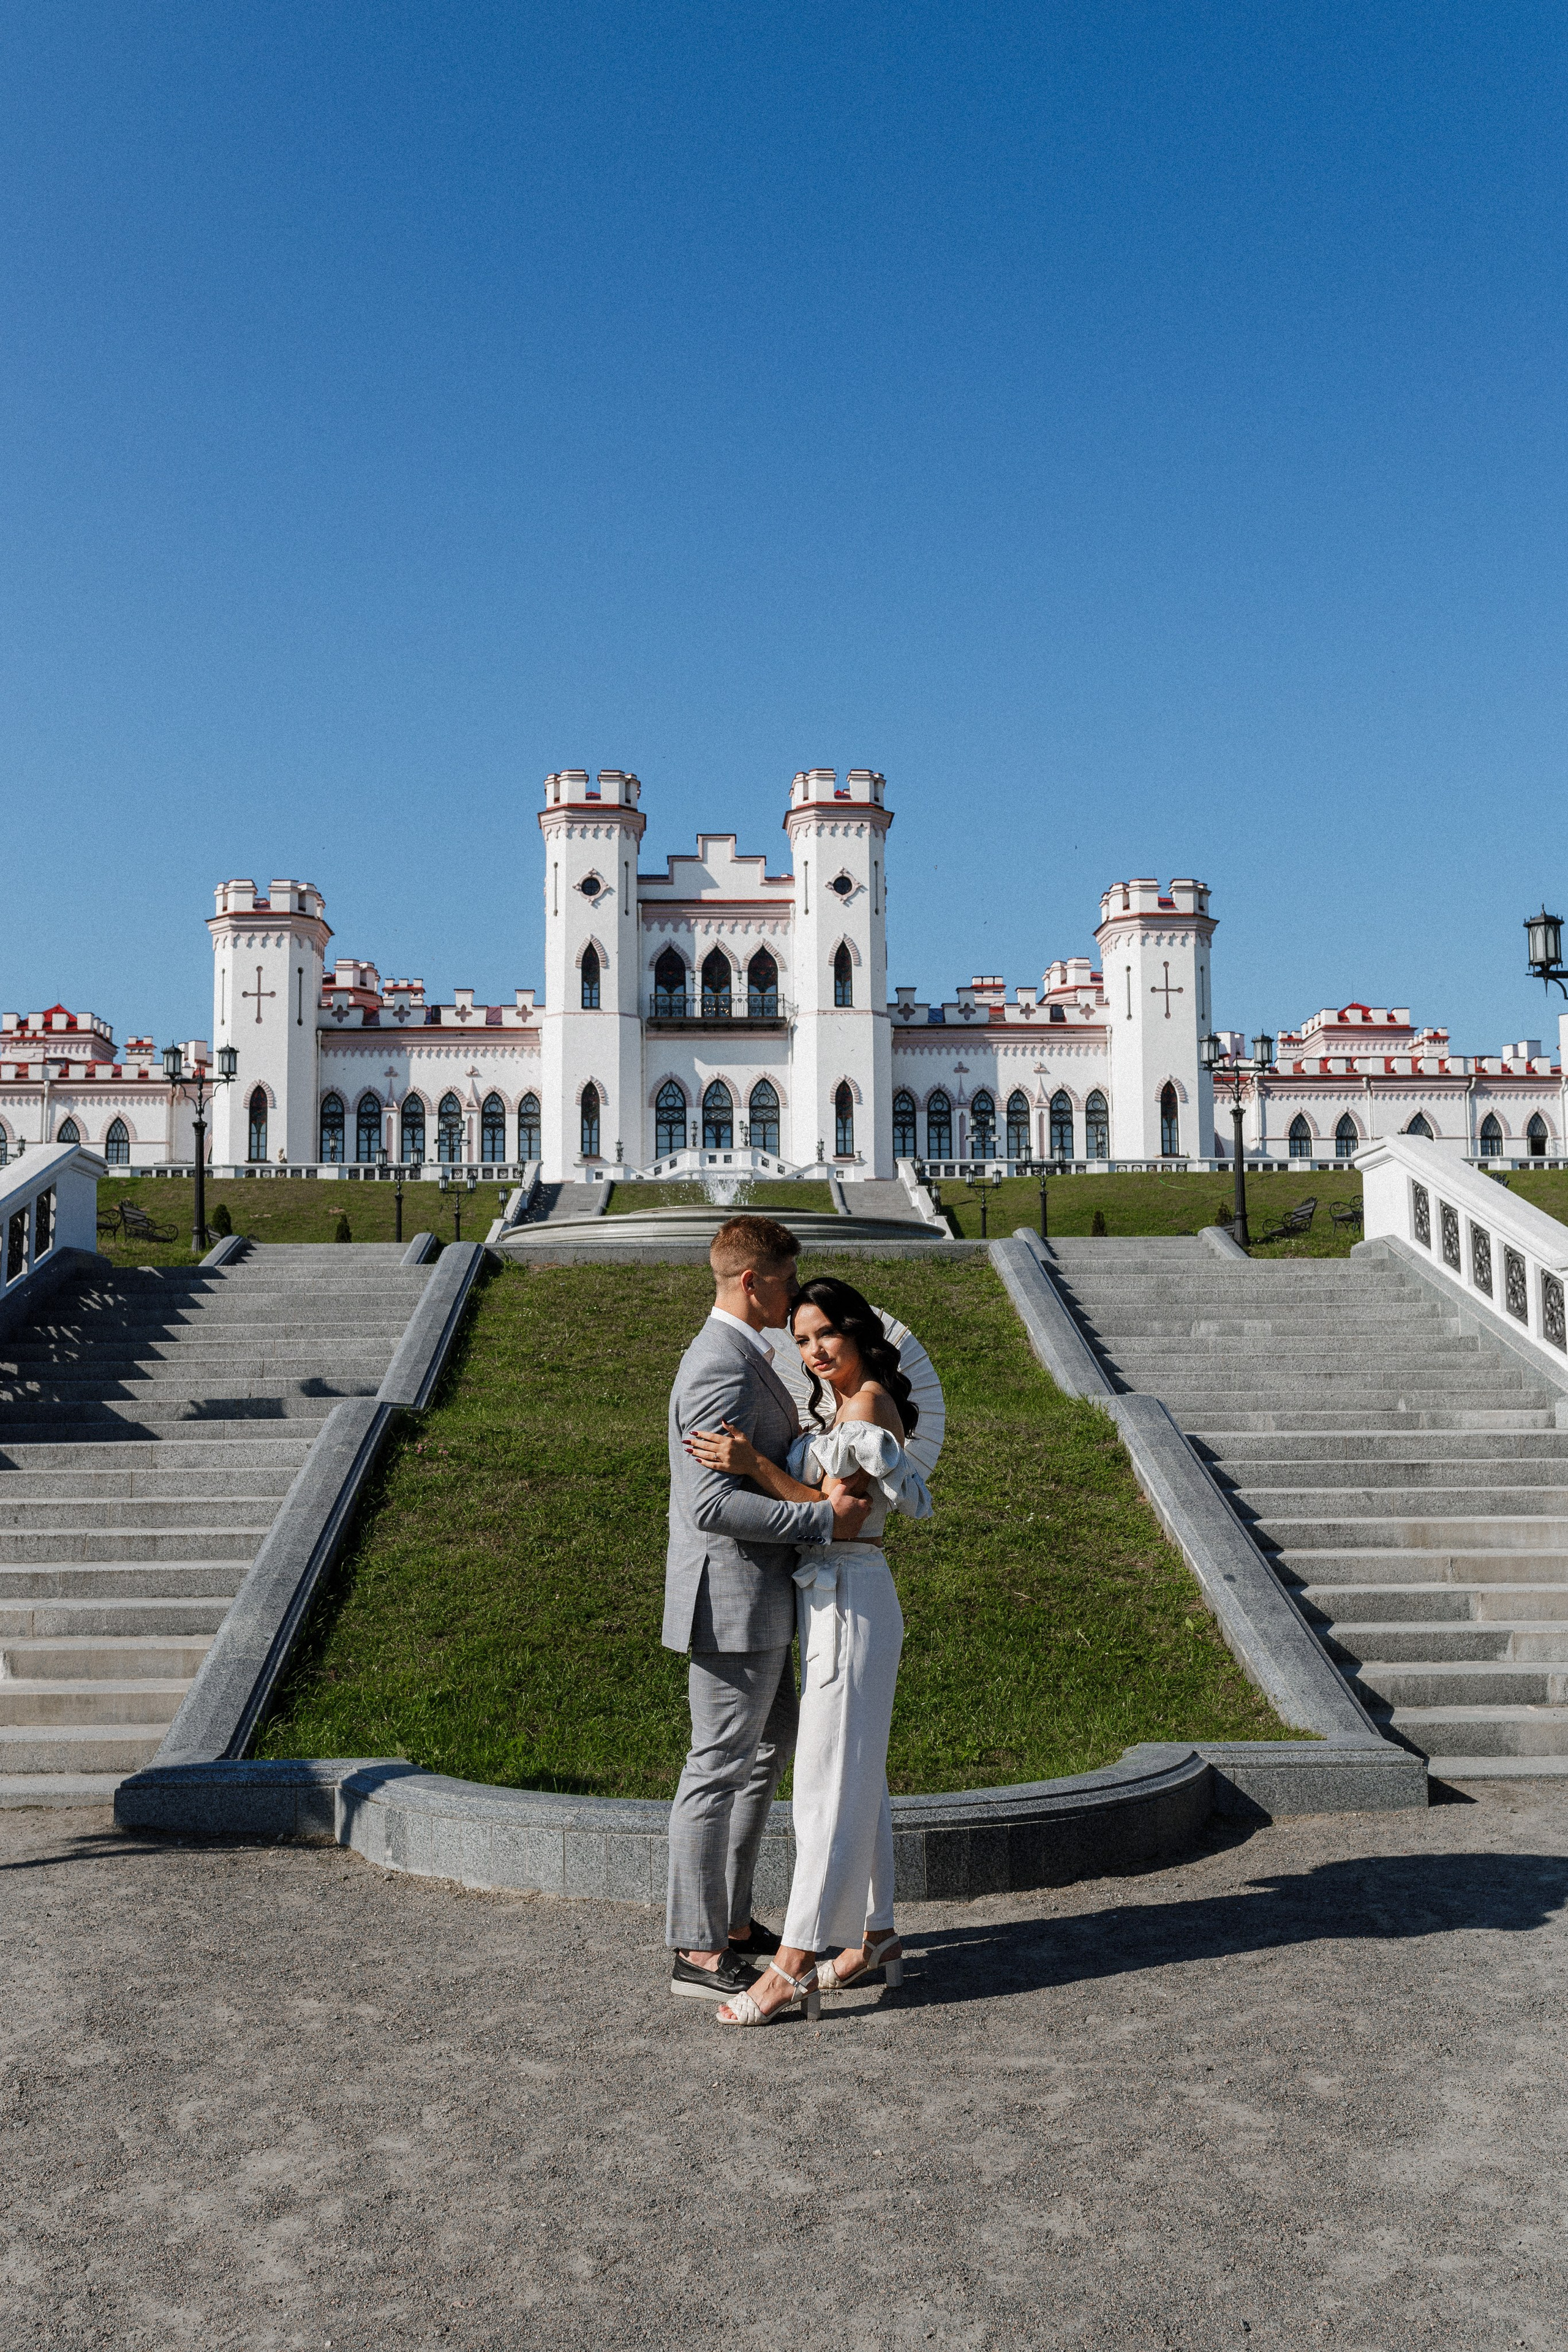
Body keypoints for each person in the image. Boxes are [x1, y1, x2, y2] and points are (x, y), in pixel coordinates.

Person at [685, 1275, 932, 2026]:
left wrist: (755, 1468)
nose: (813, 1350)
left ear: (858, 1332)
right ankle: (876, 1934)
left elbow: (845, 1519)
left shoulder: (867, 1410)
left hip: (850, 1600)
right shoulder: (840, 1408)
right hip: (827, 1602)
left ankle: (791, 1964)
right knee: (858, 1773)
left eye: (825, 1333)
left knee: (827, 1784)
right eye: (799, 1339)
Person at [663, 1218, 873, 2003]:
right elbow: (712, 1503)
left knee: (757, 1759)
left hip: (756, 1596)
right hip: (729, 1598)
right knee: (716, 1767)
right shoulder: (718, 1364)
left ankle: (733, 1926)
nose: (792, 1299)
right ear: (753, 1280)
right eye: (787, 1281)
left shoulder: (744, 1357)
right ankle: (695, 1947)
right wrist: (821, 1518)